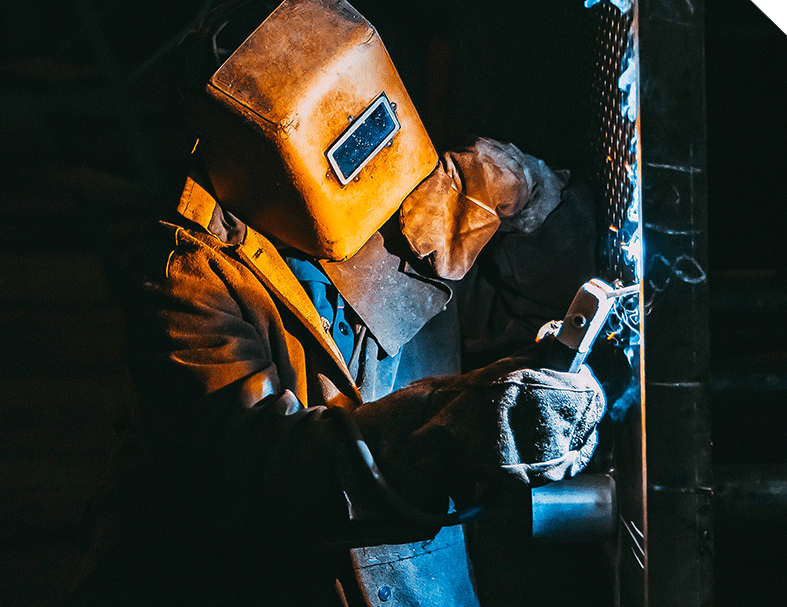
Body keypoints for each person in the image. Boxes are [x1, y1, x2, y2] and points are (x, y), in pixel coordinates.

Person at [67, 1, 605, 605]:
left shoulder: (391, 187)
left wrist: (532, 206)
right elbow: (263, 474)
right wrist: (455, 425)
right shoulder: (189, 279)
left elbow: (520, 315)